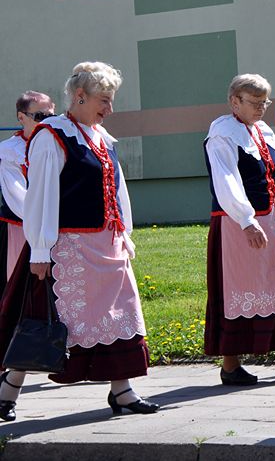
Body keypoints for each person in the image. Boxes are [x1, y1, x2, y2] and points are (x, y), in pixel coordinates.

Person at [0, 62, 158, 422]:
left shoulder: (103, 138)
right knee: (51, 322)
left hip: (107, 245)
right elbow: (40, 196)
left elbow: (118, 190)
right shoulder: (51, 135)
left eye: (111, 100)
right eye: (104, 100)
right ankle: (7, 389)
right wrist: (40, 250)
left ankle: (122, 391)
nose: (109, 109)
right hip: (67, 248)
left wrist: (125, 234)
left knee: (122, 316)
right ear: (79, 96)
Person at [203, 74, 275, 386]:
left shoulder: (263, 131)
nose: (261, 108)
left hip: (271, 219)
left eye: (264, 102)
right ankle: (230, 366)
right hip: (237, 224)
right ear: (235, 102)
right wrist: (246, 219)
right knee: (239, 289)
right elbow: (226, 179)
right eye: (255, 102)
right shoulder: (223, 133)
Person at [0, 92, 55, 293]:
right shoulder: (9, 151)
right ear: (21, 117)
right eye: (39, 116)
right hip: (23, 228)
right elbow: (18, 197)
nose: (45, 123)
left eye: (50, 117)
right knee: (22, 287)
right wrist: (47, 220)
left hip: (59, 227)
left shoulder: (59, 145)